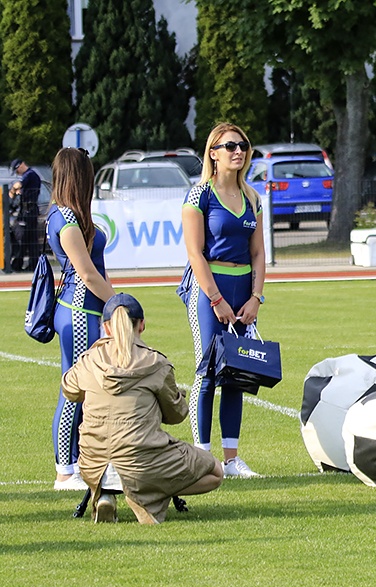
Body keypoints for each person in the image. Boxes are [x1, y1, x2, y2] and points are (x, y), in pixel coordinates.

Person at [62, 293, 224, 524]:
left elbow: (69, 389)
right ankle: (147, 497)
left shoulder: (88, 360)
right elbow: (176, 414)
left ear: (106, 328)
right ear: (142, 325)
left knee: (115, 453)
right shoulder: (155, 363)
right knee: (215, 471)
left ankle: (106, 494)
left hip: (92, 463)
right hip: (140, 462)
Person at [182, 123, 266, 477]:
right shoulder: (199, 195)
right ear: (213, 153)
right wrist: (216, 298)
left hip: (244, 291)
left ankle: (231, 459)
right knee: (207, 370)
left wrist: (256, 298)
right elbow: (195, 252)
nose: (238, 151)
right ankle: (203, 459)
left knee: (238, 372)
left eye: (243, 145)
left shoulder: (252, 197)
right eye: (230, 145)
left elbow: (259, 253)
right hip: (209, 291)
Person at [45, 148, 115, 490]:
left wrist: (113, 304)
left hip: (85, 309)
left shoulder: (72, 215)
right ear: (80, 177)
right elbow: (86, 273)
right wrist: (118, 305)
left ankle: (79, 464)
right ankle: (65, 471)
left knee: (84, 388)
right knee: (75, 388)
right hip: (78, 310)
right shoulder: (65, 218)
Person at [9, 158, 42, 272]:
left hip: (28, 212)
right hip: (28, 211)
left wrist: (13, 190)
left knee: (26, 239)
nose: (17, 173)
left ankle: (20, 264)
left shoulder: (29, 175)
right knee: (30, 240)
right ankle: (32, 264)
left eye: (16, 170)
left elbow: (18, 184)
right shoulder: (31, 175)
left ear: (20, 165)